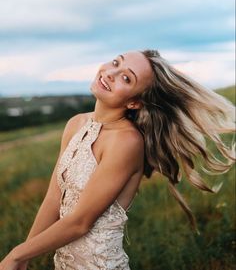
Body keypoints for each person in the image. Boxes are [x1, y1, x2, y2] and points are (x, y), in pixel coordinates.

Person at [0, 49, 235, 270]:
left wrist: (16, 254)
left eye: (126, 78)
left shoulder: (126, 142)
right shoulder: (76, 123)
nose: (111, 74)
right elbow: (54, 198)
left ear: (134, 102)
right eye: (116, 63)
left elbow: (80, 222)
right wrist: (25, 259)